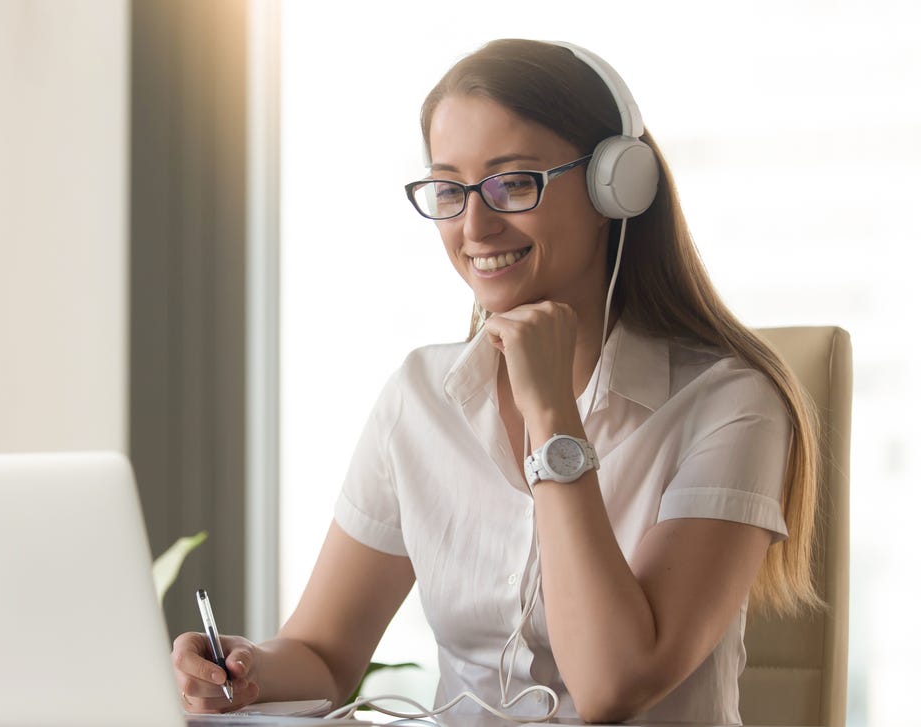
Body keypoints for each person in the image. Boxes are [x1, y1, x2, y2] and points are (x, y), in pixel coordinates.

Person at [171, 38, 820, 725]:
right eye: (449, 190)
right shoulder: (420, 396)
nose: (474, 226)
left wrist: (552, 414)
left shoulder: (730, 405)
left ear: (615, 187)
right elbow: (326, 655)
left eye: (513, 182)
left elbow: (612, 685)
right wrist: (246, 671)